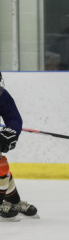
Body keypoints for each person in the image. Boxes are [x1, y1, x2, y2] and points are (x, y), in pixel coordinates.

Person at [0, 72, 39, 222]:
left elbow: (13, 118)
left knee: (2, 166)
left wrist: (11, 132)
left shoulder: (1, 94)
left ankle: (14, 201)